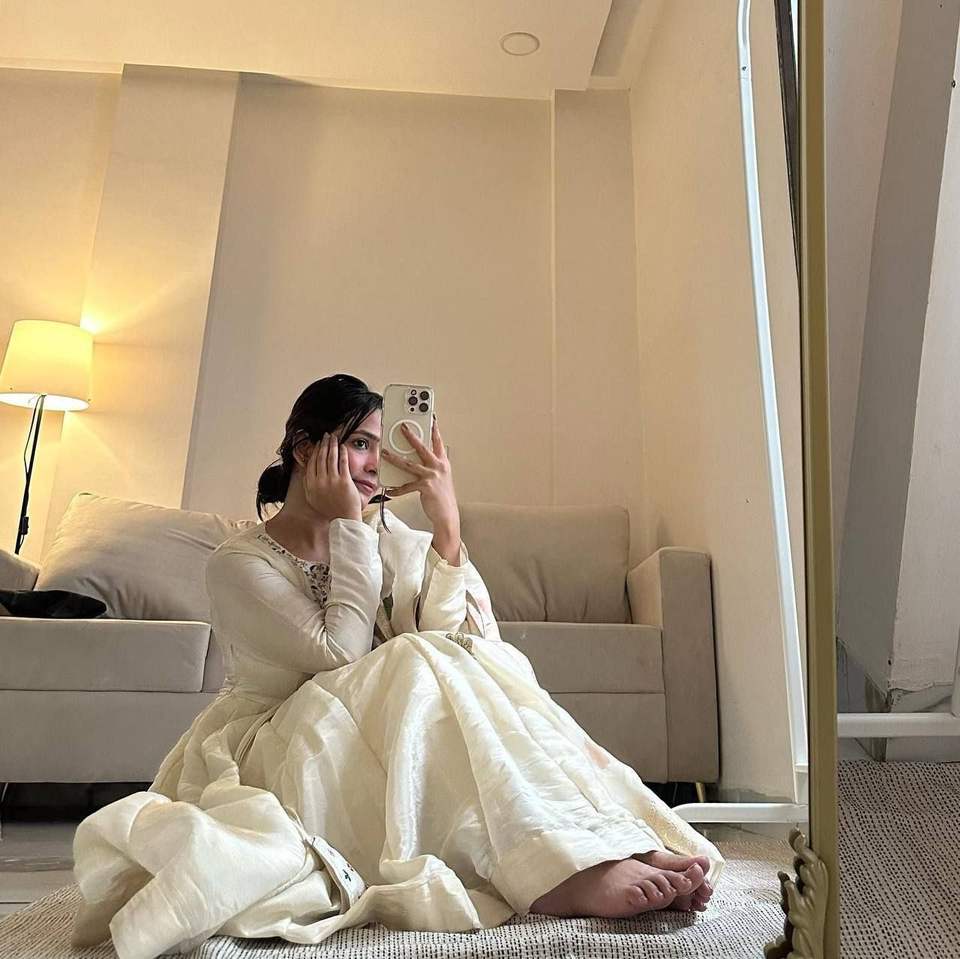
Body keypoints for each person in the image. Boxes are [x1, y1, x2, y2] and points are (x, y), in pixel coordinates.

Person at [71, 374, 723, 959]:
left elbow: (464, 648)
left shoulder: (389, 537)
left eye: (378, 449)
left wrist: (446, 527)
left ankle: (597, 839)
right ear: (305, 448)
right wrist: (352, 528)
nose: (372, 465)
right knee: (408, 659)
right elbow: (339, 655)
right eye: (358, 444)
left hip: (379, 726)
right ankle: (558, 871)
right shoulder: (240, 562)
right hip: (276, 740)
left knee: (436, 657)